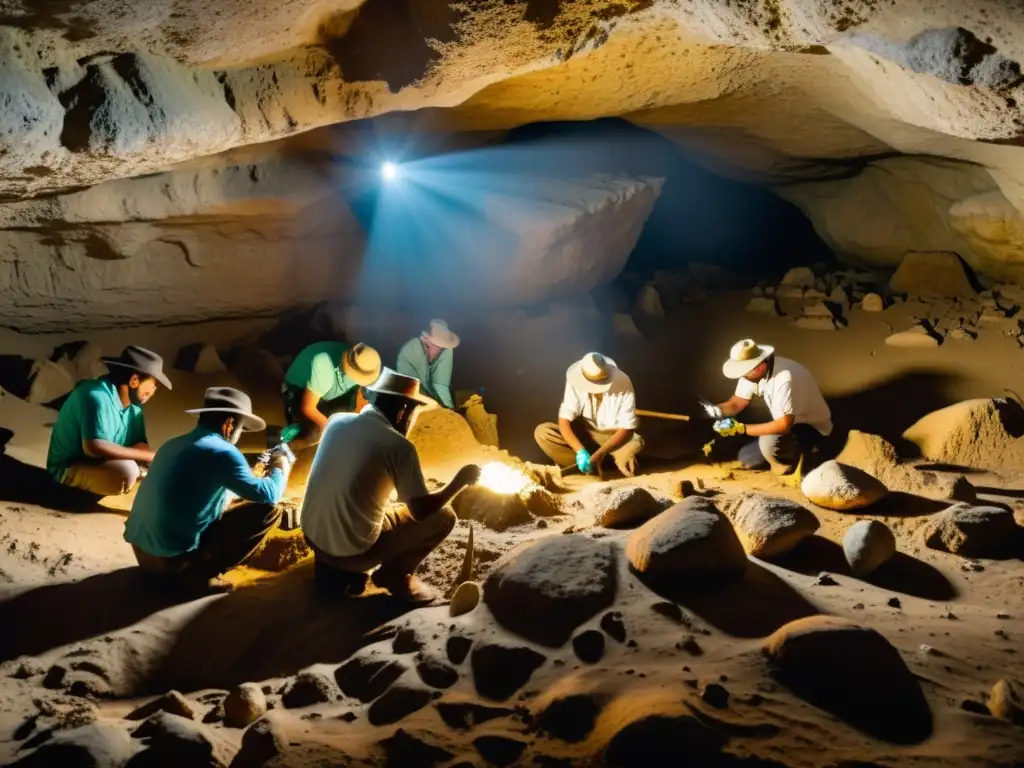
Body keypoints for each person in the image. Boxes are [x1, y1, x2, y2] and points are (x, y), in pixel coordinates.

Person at [300, 368, 481, 603]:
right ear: (403, 410)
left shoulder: (336, 421)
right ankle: (395, 574)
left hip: (314, 539)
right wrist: (460, 481)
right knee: (444, 516)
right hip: (353, 552)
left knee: (370, 503)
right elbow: (421, 511)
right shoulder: (398, 446)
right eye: (414, 411)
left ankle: (331, 570)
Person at [124, 387, 291, 590]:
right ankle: (197, 576)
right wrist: (280, 465)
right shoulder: (223, 451)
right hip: (171, 562)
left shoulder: (172, 444)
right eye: (241, 429)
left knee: (228, 499)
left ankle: (175, 569)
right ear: (229, 424)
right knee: (269, 511)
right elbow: (271, 494)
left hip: (142, 555)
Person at [46, 345, 170, 498]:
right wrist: (146, 459)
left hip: (101, 464)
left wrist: (153, 461)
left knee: (159, 465)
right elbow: (93, 447)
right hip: (69, 467)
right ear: (134, 380)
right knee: (127, 471)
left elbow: (140, 446)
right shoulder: (95, 396)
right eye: (153, 384)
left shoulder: (134, 409)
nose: (153, 391)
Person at [704, 339, 832, 477]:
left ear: (759, 367)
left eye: (744, 372)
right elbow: (737, 403)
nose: (742, 377)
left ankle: (807, 457)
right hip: (790, 423)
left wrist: (741, 428)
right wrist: (716, 410)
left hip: (811, 429)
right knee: (747, 457)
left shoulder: (784, 377)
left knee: (768, 443)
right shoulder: (753, 371)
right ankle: (785, 455)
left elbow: (784, 424)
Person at [534, 352, 644, 477]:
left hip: (615, 436)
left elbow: (626, 427)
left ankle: (604, 463)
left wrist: (600, 453)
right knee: (543, 432)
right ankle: (587, 466)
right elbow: (564, 420)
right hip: (589, 434)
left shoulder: (622, 381)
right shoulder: (575, 381)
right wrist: (580, 451)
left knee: (629, 463)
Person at [281, 341, 381, 447]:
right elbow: (308, 408)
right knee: (315, 433)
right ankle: (285, 447)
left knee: (346, 421)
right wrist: (333, 430)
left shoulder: (363, 363)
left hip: (328, 392)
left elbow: (361, 402)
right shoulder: (324, 364)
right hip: (298, 391)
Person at [395, 319, 459, 409]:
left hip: (436, 397)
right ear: (425, 340)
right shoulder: (408, 353)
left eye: (441, 347)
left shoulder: (446, 348)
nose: (439, 350)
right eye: (436, 345)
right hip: (413, 395)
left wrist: (449, 409)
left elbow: (441, 383)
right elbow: (409, 390)